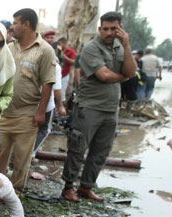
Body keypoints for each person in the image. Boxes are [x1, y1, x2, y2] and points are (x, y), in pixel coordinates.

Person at [61, 12, 136, 202]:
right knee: (78, 148)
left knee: (101, 151)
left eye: (114, 29)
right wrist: (125, 77)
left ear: (120, 29)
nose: (109, 33)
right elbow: (104, 76)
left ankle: (86, 186)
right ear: (99, 29)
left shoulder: (120, 47)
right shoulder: (91, 48)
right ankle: (68, 186)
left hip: (111, 109)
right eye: (106, 29)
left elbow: (131, 70)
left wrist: (126, 45)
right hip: (89, 107)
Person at [0, 8, 56, 194]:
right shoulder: (9, 47)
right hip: (5, 113)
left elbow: (48, 82)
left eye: (15, 23)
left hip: (27, 115)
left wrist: (40, 112)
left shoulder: (45, 50)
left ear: (26, 24)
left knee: (22, 159)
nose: (12, 26)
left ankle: (15, 193)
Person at [58, 37, 76, 104]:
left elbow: (74, 62)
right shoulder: (58, 50)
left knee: (63, 92)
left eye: (60, 44)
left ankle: (62, 107)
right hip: (56, 75)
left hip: (65, 74)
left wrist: (65, 57)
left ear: (64, 43)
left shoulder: (71, 51)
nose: (59, 45)